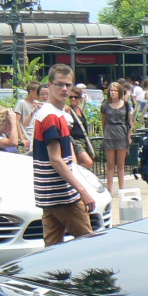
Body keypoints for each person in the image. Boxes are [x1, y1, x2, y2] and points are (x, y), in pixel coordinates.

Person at [31, 64, 97, 247]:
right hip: (62, 194)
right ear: (50, 85)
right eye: (59, 84)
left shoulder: (50, 113)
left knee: (52, 249)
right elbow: (56, 159)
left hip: (48, 195)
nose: (64, 89)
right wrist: (82, 190)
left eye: (68, 85)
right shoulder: (52, 116)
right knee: (89, 244)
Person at [101, 80, 134, 198]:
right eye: (111, 90)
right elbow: (103, 121)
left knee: (121, 164)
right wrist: (105, 135)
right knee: (110, 164)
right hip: (109, 133)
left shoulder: (125, 105)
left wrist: (129, 136)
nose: (113, 92)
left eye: (115, 90)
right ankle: (109, 189)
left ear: (119, 92)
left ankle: (121, 189)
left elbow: (130, 122)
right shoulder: (105, 105)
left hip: (121, 133)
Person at [65, 87, 95, 169]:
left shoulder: (79, 109)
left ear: (80, 99)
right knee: (88, 162)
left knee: (81, 162)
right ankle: (72, 171)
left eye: (76, 97)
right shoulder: (68, 109)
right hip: (76, 141)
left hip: (84, 140)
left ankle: (75, 173)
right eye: (71, 97)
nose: (73, 99)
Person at [14, 82, 39, 150]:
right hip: (27, 134)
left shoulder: (37, 103)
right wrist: (22, 137)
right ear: (31, 92)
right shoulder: (21, 103)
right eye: (38, 92)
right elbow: (17, 121)